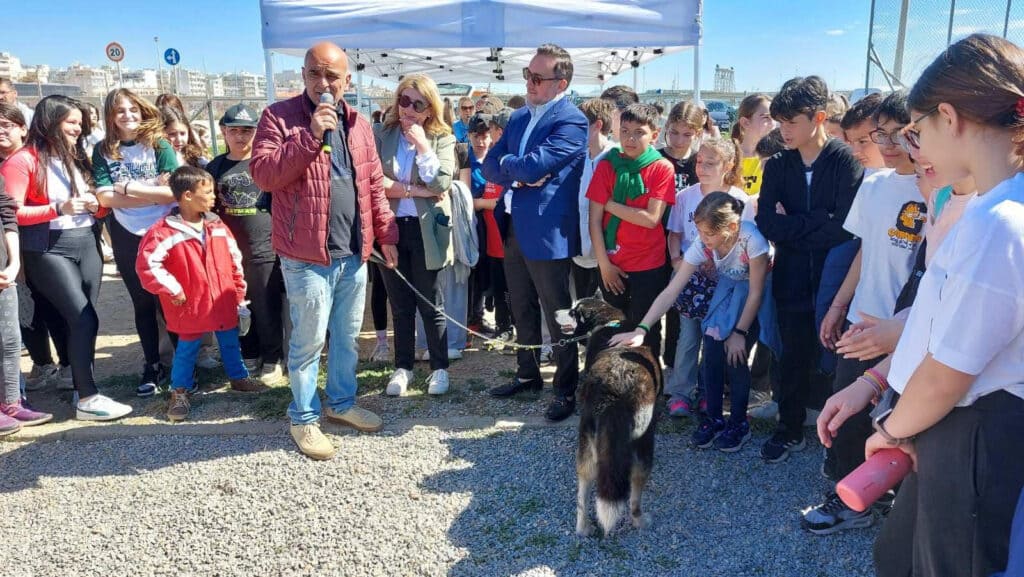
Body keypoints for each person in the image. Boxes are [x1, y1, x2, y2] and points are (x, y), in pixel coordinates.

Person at [817, 34, 1024, 577]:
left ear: (949, 118)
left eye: (916, 129)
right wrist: (876, 385)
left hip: (972, 431)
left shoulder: (999, 223)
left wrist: (891, 430)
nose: (914, 147)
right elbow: (943, 323)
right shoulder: (992, 207)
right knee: (899, 555)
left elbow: (947, 374)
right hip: (953, 425)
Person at [250, 41, 398, 460]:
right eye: (315, 73)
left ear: (347, 80)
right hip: (305, 255)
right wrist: (312, 135)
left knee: (347, 337)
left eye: (332, 75)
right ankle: (303, 416)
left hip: (352, 252)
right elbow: (264, 175)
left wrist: (385, 234)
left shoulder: (360, 125)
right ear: (302, 76)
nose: (323, 82)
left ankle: (342, 403)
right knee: (309, 340)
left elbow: (372, 186)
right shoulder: (278, 117)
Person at [804, 90, 926, 534]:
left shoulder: (940, 188)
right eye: (882, 134)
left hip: (911, 332)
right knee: (850, 413)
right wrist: (838, 306)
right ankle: (846, 498)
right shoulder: (873, 183)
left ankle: (886, 494)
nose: (890, 143)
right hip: (862, 321)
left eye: (902, 134)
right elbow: (864, 251)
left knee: (902, 418)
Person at [754, 75, 864, 463]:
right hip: (791, 276)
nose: (784, 131)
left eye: (791, 122)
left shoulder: (845, 160)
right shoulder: (780, 164)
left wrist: (794, 226)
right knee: (792, 351)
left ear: (818, 117)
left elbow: (845, 226)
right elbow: (768, 222)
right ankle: (789, 427)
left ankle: (834, 428)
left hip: (835, 278)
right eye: (780, 122)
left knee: (836, 352)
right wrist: (815, 220)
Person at [612, 192, 773, 452]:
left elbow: (756, 292)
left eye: (709, 234)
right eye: (700, 232)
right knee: (711, 351)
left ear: (731, 227)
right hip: (727, 290)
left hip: (755, 296)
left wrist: (739, 333)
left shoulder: (752, 240)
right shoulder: (704, 242)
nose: (704, 240)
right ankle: (714, 419)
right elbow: (671, 290)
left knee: (736, 357)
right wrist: (642, 328)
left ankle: (739, 423)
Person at [2, 95, 128, 421]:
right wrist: (57, 208)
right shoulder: (23, 161)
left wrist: (96, 206)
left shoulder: (78, 157)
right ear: (50, 121)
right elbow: (11, 212)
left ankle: (81, 387)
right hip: (48, 247)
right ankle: (88, 397)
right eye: (71, 122)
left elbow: (100, 204)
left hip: (87, 241)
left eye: (80, 123)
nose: (78, 128)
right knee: (84, 317)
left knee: (82, 320)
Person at [482, 43, 588, 422]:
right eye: (527, 74)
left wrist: (519, 169)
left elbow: (527, 169)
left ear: (561, 84)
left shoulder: (571, 121)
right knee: (520, 305)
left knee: (558, 313)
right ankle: (527, 374)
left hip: (547, 233)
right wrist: (519, 167)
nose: (529, 82)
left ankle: (565, 388)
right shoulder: (517, 119)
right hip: (513, 226)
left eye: (538, 77)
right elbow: (490, 167)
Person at [136, 167, 266, 421]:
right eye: (207, 192)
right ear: (186, 195)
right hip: (190, 303)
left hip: (222, 298)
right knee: (187, 349)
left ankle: (239, 379)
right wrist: (173, 289)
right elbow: (147, 265)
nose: (214, 196)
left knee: (230, 341)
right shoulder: (164, 231)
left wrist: (238, 291)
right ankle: (180, 391)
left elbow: (234, 258)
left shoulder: (217, 226)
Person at [373, 73, 456, 396]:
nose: (408, 108)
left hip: (427, 232)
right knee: (400, 303)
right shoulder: (384, 134)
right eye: (403, 100)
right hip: (391, 229)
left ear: (429, 107)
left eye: (416, 103)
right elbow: (375, 183)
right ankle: (403, 367)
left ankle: (439, 368)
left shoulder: (442, 139)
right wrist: (414, 190)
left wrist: (422, 144)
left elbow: (441, 184)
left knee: (430, 302)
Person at [93, 88, 179, 397]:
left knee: (170, 299)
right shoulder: (103, 150)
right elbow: (103, 196)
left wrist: (127, 189)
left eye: (133, 109)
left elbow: (172, 192)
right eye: (120, 111)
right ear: (111, 117)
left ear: (142, 112)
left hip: (163, 230)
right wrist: (149, 189)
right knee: (142, 302)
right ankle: (152, 364)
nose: (128, 115)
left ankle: (182, 366)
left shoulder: (159, 144)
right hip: (126, 233)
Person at [663, 138, 753, 417]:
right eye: (699, 161)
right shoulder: (685, 197)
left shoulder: (741, 199)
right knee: (688, 337)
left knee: (714, 339)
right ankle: (680, 392)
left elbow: (746, 241)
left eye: (710, 163)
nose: (701, 167)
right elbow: (675, 233)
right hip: (691, 280)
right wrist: (677, 260)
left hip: (725, 283)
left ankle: (709, 391)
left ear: (728, 166)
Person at [205, 103, 286, 385]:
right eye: (235, 131)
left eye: (248, 131)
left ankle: (273, 359)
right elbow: (208, 206)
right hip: (228, 251)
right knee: (237, 305)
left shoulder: (267, 162)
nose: (241, 137)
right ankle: (248, 353)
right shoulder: (214, 167)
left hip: (265, 247)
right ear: (224, 132)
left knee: (267, 305)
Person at [587, 104, 674, 359]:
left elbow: (650, 219)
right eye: (625, 131)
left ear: (654, 135)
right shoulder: (607, 165)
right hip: (612, 264)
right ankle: (613, 384)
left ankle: (648, 385)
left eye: (639, 132)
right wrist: (604, 265)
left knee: (647, 328)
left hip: (649, 264)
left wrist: (609, 204)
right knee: (614, 326)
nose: (631, 139)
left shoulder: (661, 168)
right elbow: (594, 221)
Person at [0, 174, 51, 433]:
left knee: (9, 341)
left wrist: (14, 263)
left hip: (3, 270)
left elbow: (7, 216)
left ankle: (11, 402)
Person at [572, 98, 616, 301]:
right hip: (580, 251)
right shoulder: (580, 157)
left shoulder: (614, 158)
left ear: (597, 125)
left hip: (606, 253)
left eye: (579, 126)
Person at [731, 94, 774, 197]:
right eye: (766, 117)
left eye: (774, 117)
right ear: (745, 122)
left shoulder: (776, 157)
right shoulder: (729, 156)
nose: (772, 123)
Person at [839, 93, 886, 175]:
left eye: (862, 142)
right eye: (851, 143)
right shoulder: (854, 177)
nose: (854, 152)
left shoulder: (914, 181)